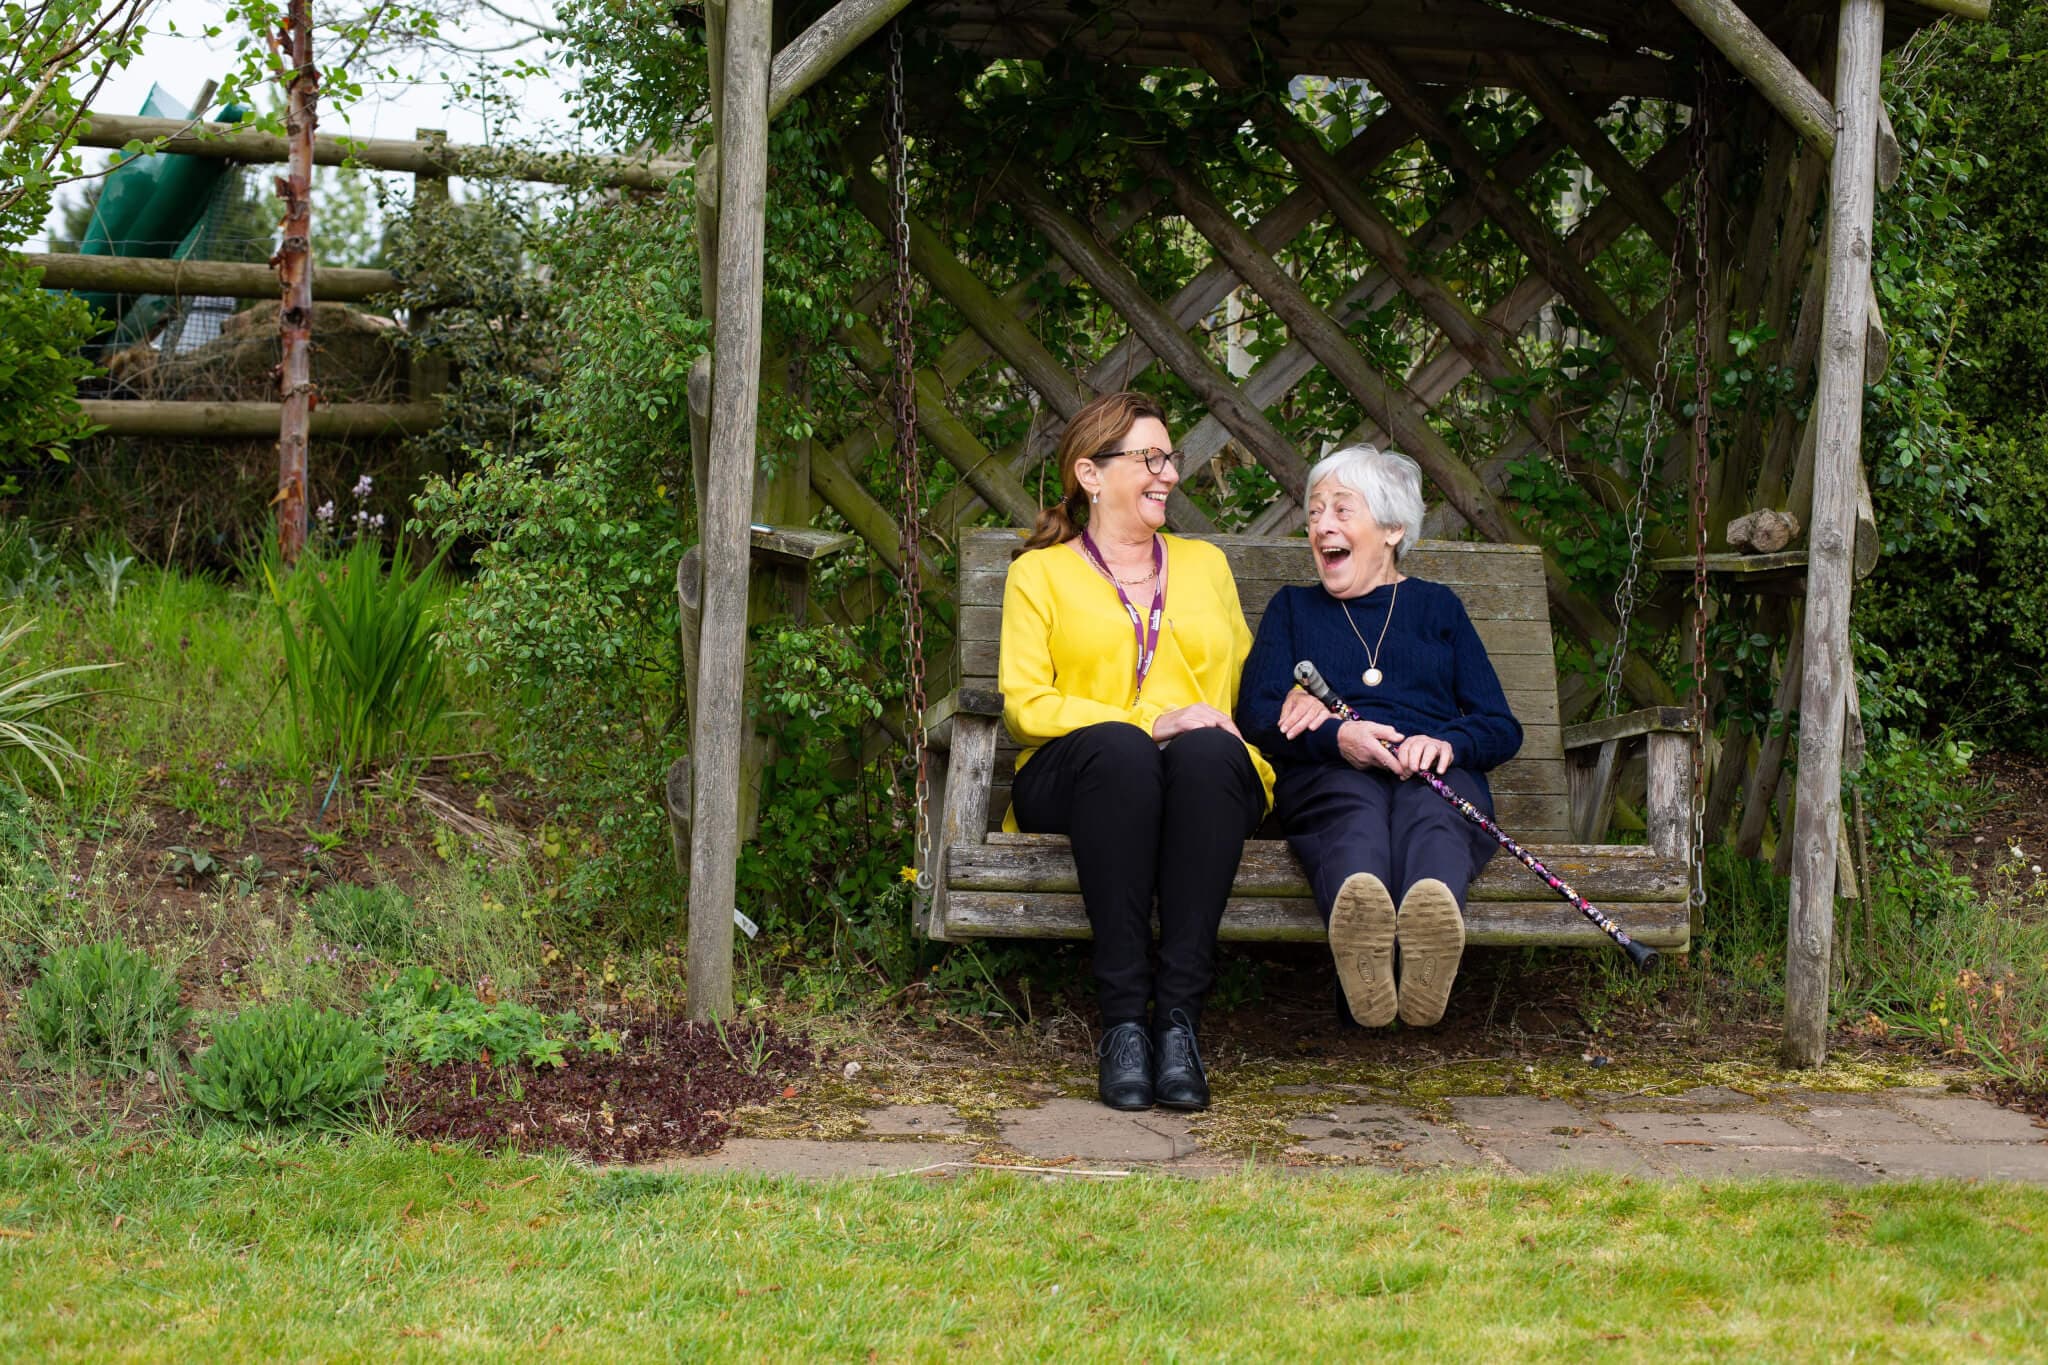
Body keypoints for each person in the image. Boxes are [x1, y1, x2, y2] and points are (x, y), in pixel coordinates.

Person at [999, 391, 1273, 1112]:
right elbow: (1026, 706)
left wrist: (1301, 701)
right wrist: (1148, 722)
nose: (1169, 474)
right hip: (1081, 774)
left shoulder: (1205, 563)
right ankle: (1124, 1023)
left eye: (1169, 457)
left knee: (1209, 754)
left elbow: (1251, 678)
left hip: (1198, 779)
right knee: (1123, 752)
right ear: (1090, 474)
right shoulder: (1040, 573)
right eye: (1149, 458)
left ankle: (1178, 1024)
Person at [1237, 445, 1521, 1029]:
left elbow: (1499, 724)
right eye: (1314, 513)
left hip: (1432, 772)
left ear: (1392, 529)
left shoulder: (1436, 608)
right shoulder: (1292, 609)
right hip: (1329, 771)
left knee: (1434, 814)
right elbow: (1256, 714)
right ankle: (1362, 949)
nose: (1322, 525)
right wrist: (1335, 737)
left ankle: (1427, 941)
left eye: (1342, 509)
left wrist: (1447, 745)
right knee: (1351, 813)